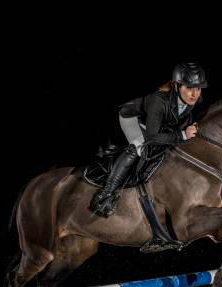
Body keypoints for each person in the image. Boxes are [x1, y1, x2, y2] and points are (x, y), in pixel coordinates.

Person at [89, 62, 207, 218]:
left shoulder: (194, 101)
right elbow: (152, 137)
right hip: (131, 118)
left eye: (198, 88)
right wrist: (182, 135)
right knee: (139, 146)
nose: (194, 94)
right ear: (177, 86)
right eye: (189, 88)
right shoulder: (159, 101)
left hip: (153, 124)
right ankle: (104, 194)